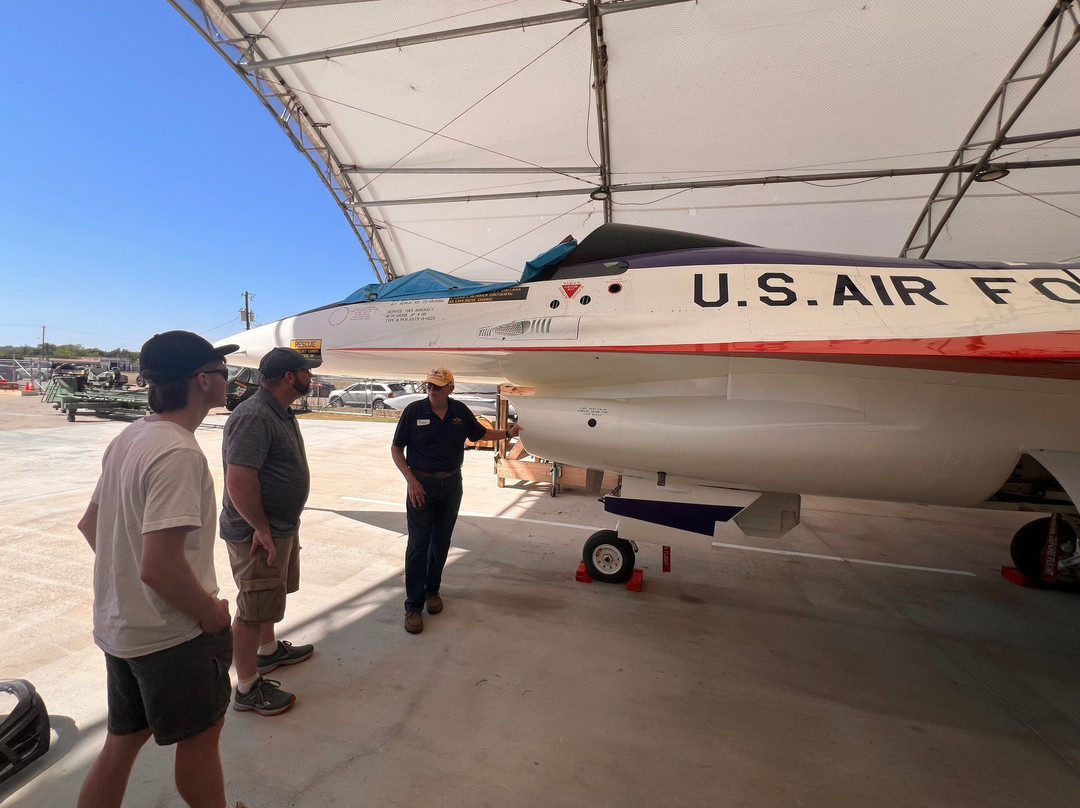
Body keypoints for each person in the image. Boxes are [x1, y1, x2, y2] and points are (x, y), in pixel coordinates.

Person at [76, 330, 238, 808]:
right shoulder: (179, 451)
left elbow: (92, 525)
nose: (228, 379)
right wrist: (208, 614)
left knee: (121, 743)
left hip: (123, 631)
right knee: (201, 743)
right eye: (223, 371)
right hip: (174, 637)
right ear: (202, 381)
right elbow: (160, 568)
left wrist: (127, 587)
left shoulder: (130, 437)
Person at [220, 347, 321, 716]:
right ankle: (246, 687)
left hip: (277, 526)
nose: (311, 377)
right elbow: (239, 480)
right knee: (251, 607)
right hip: (256, 533)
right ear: (288, 377)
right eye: (306, 371)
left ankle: (267, 652)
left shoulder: (279, 411)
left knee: (267, 598)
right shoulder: (255, 416)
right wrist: (260, 528)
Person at [391, 367, 521, 634]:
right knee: (418, 544)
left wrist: (509, 434)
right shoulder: (413, 412)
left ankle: (432, 592)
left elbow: (480, 435)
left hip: (451, 484)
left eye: (438, 386)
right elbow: (396, 448)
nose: (432, 391)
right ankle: (413, 606)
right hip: (421, 486)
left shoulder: (460, 412)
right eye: (429, 386)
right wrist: (411, 480)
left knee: (441, 541)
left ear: (450, 388)